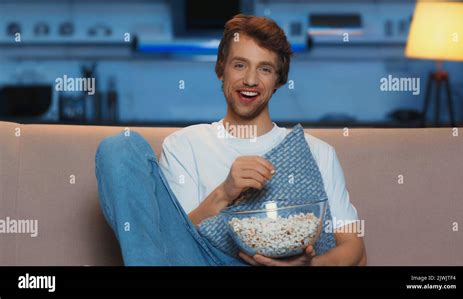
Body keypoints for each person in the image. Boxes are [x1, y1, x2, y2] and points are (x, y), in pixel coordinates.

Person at [95, 14, 366, 266]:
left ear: (279, 81)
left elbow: (355, 247)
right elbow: (171, 239)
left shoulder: (318, 152)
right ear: (220, 70)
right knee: (119, 146)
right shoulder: (184, 145)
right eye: (239, 65)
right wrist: (225, 192)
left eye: (265, 69)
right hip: (204, 260)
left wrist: (306, 266)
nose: (250, 80)